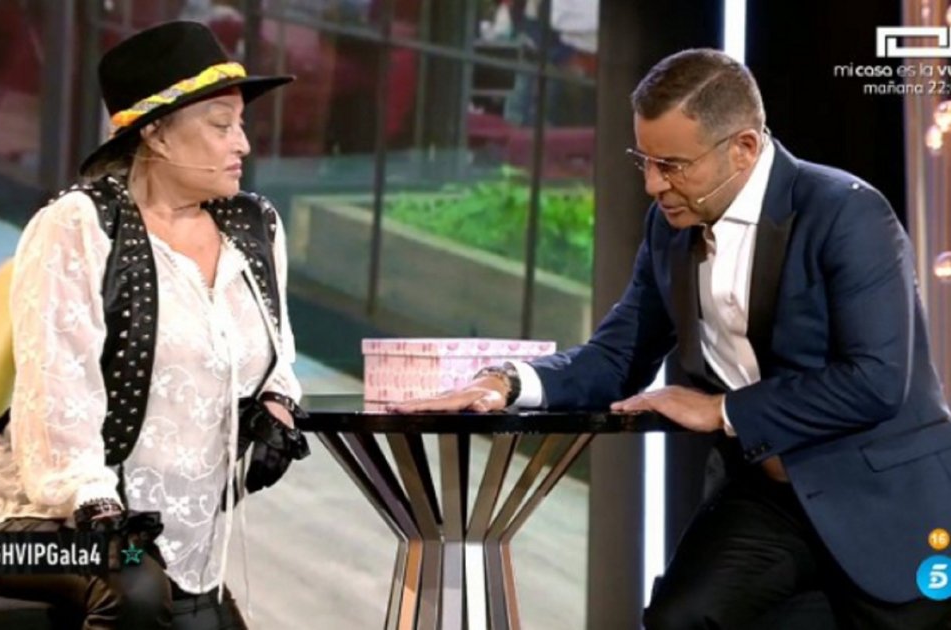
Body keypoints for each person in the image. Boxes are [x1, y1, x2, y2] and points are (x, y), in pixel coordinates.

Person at [394, 48, 951, 628]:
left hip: (884, 494)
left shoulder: (845, 212)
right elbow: (617, 355)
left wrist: (723, 409)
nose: (654, 184)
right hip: (770, 498)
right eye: (645, 161)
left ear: (744, 148)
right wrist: (507, 384)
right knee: (679, 619)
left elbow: (876, 381)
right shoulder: (669, 226)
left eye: (673, 165)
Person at [0, 21, 308, 629]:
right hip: (37, 528)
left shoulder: (254, 227)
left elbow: (275, 356)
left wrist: (277, 406)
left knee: (176, 596)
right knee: (135, 585)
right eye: (221, 125)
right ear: (157, 133)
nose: (242, 144)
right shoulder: (79, 226)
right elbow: (58, 395)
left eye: (241, 124)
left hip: (186, 541)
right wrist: (96, 504)